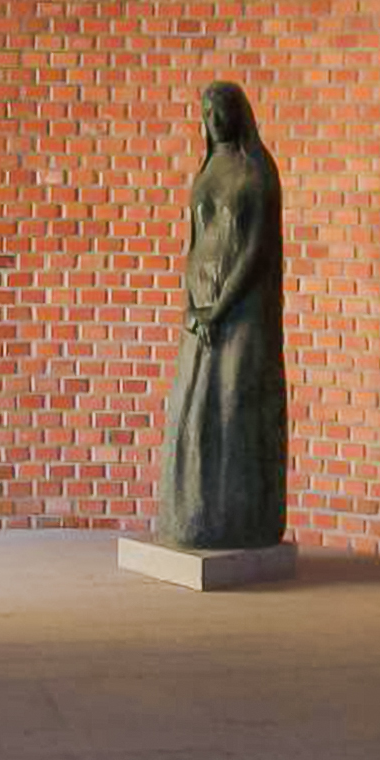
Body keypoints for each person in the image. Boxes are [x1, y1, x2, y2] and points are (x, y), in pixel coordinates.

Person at [156, 81, 288, 549]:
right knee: (193, 410)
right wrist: (193, 304)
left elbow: (256, 251)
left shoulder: (257, 171)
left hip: (241, 314)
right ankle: (192, 514)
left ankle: (240, 518)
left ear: (239, 114)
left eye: (221, 110)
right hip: (201, 314)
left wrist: (221, 306)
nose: (213, 119)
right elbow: (195, 244)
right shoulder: (208, 167)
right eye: (206, 112)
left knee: (233, 406)